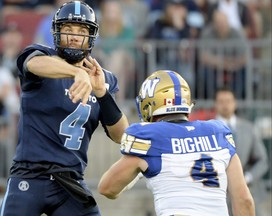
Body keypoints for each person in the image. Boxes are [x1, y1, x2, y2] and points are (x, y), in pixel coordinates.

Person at [0, 1, 129, 216]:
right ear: (57, 33)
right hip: (29, 175)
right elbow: (33, 64)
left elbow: (122, 135)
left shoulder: (103, 78)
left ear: (92, 36)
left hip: (70, 182)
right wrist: (76, 73)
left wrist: (102, 93)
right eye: (68, 29)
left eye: (82, 31)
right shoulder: (40, 56)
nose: (75, 36)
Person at [98, 70, 255, 216]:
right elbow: (244, 201)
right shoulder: (218, 132)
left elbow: (107, 188)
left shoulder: (150, 138)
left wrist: (136, 171)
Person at [214, 86, 269, 216]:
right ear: (216, 104)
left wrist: (247, 178)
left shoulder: (248, 128)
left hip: (247, 192)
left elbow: (262, 161)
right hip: (217, 193)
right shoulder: (207, 129)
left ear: (235, 103)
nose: (225, 105)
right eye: (221, 101)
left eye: (228, 101)